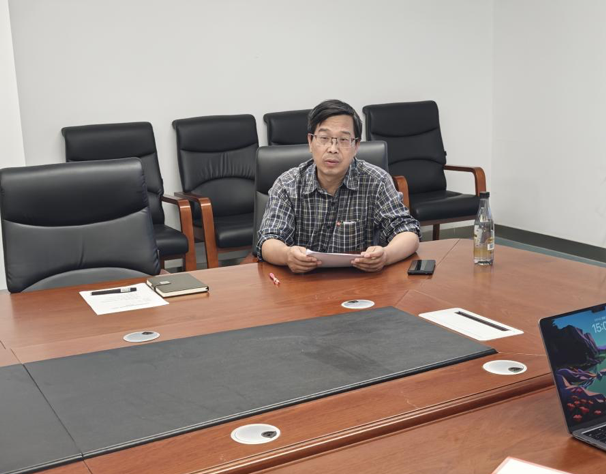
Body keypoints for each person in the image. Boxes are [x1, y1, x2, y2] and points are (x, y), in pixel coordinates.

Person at [257, 99, 420, 273]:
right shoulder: (287, 184)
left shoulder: (376, 181)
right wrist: (287, 255)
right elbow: (268, 240)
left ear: (356, 145)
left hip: (360, 280)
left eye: (343, 139)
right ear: (310, 141)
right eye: (324, 138)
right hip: (302, 280)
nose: (333, 149)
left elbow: (408, 231)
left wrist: (386, 255)